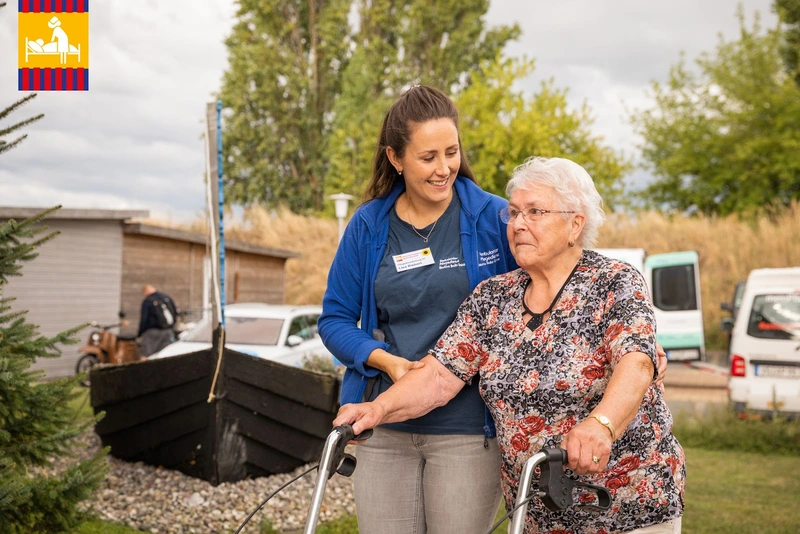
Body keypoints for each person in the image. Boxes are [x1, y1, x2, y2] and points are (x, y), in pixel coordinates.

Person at [334, 157, 685, 534]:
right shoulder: (492, 298)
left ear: (575, 224)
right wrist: (377, 408)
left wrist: (601, 425)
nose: (517, 223)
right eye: (514, 212)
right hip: (538, 514)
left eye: (535, 212)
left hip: (626, 504)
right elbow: (438, 376)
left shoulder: (614, 282)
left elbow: (637, 362)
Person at [318, 85, 518, 533]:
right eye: (428, 157)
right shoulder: (369, 225)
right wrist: (386, 361)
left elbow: (552, 284)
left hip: (468, 429)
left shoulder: (496, 219)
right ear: (396, 157)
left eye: (451, 152)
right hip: (383, 423)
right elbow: (334, 319)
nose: (443, 168)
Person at [137, 284, 179, 357]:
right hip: (168, 331)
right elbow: (175, 313)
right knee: (163, 355)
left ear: (145, 291)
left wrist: (140, 333)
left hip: (152, 332)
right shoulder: (167, 297)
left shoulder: (148, 301)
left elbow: (144, 319)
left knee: (146, 354)